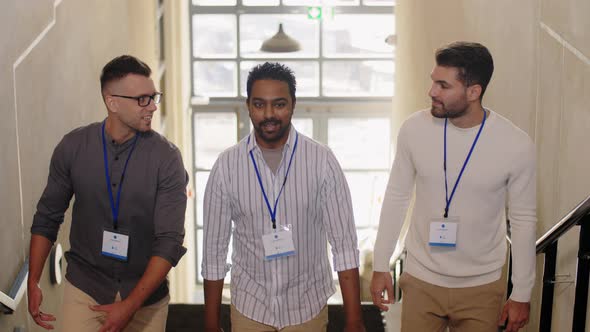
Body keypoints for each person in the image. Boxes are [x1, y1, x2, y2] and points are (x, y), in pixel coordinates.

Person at [370, 42, 536, 332]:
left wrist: (521, 292)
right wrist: (381, 262)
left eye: (443, 85)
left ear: (474, 92)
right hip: (421, 280)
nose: (432, 91)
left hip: (482, 286)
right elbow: (397, 196)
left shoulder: (516, 145)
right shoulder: (414, 129)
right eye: (433, 81)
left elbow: (523, 220)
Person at [27, 55, 188, 332]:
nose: (151, 107)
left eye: (153, 97)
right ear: (112, 102)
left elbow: (169, 241)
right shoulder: (73, 147)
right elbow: (47, 217)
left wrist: (130, 305)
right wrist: (33, 281)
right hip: (86, 289)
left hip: (146, 299)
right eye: (142, 100)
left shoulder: (167, 158)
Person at [202, 62, 366, 332]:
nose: (269, 114)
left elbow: (345, 246)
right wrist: (210, 322)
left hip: (307, 307)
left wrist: (354, 319)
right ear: (248, 106)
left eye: (279, 104)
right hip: (249, 308)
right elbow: (213, 250)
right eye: (259, 104)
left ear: (293, 104)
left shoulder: (322, 161)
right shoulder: (226, 166)